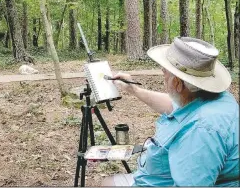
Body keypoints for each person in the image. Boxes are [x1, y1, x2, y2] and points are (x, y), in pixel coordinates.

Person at [102, 37, 239, 186]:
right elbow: (173, 105)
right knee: (107, 182)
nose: (163, 76)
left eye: (165, 74)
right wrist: (134, 90)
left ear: (178, 84)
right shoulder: (211, 98)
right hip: (158, 177)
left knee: (107, 184)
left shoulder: (202, 131)